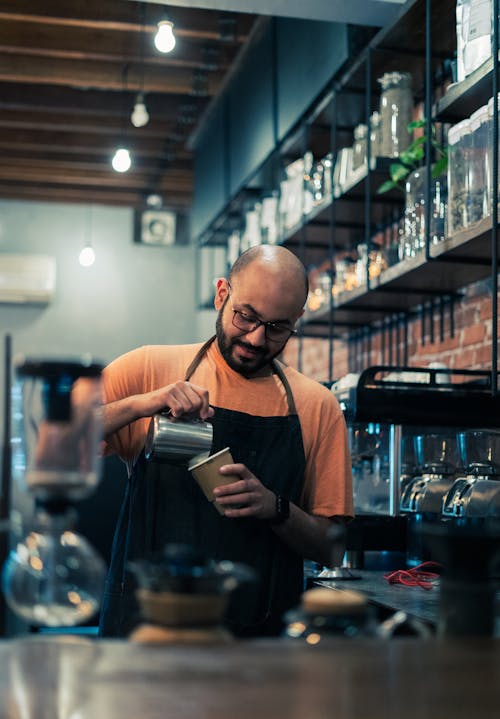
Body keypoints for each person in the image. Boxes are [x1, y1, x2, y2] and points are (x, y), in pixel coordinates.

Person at [99, 245, 353, 638]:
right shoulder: (148, 367)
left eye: (277, 327)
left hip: (259, 646)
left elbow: (332, 547)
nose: (256, 338)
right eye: (246, 316)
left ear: (297, 320)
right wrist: (140, 404)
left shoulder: (316, 405)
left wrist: (277, 508)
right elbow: (57, 439)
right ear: (222, 294)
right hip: (144, 635)